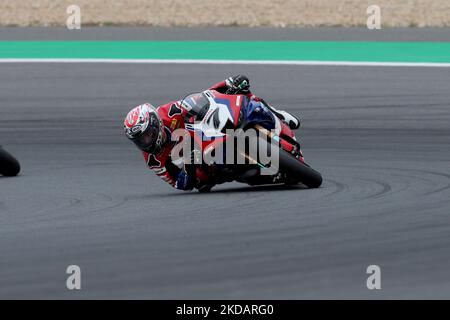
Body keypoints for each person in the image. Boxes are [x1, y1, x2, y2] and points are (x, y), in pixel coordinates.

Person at [123, 75, 301, 191]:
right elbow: (179, 184)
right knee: (207, 181)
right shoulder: (153, 160)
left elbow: (203, 98)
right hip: (203, 165)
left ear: (155, 124)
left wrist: (227, 84)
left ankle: (278, 114)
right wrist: (189, 168)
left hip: (208, 134)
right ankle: (259, 169)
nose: (145, 142)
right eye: (140, 140)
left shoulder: (169, 112)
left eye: (147, 135)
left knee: (245, 94)